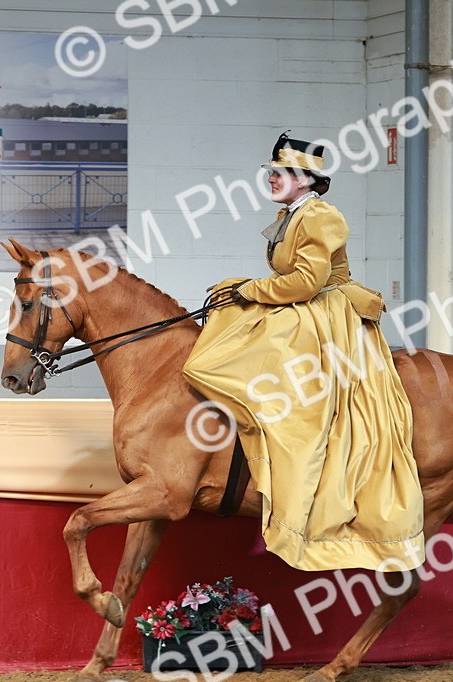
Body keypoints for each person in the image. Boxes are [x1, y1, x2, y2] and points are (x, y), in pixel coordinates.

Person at [182, 132, 425, 571]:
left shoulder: (320, 216)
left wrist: (248, 288)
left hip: (326, 310)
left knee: (265, 341)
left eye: (281, 173)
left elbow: (305, 283)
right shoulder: (292, 213)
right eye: (271, 172)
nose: (272, 178)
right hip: (306, 305)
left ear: (306, 181)